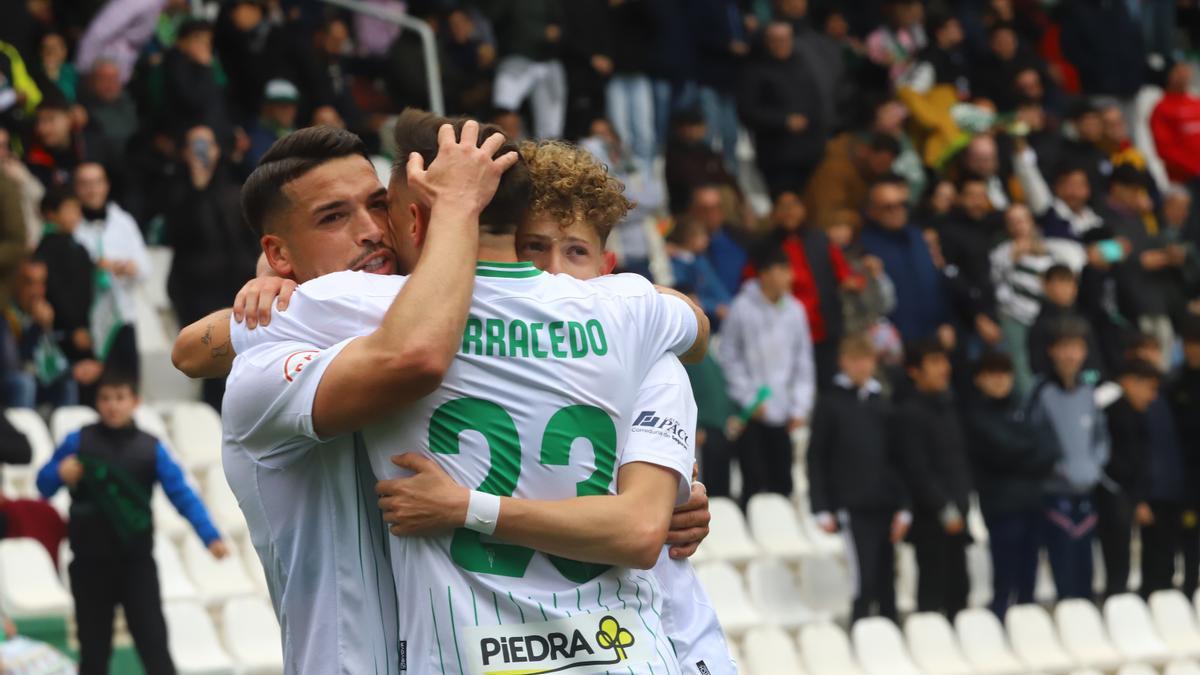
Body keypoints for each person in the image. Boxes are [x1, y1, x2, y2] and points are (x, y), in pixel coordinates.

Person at [222, 115, 707, 674]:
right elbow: (691, 321)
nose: (372, 231)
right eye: (334, 216)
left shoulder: (361, 307)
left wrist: (670, 482)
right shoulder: (633, 312)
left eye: (378, 205)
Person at [36, 369, 228, 675]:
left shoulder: (150, 448)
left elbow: (182, 494)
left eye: (120, 398)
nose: (113, 405)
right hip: (89, 566)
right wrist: (58, 473)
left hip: (136, 564)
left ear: (134, 401)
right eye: (106, 398)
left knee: (155, 650)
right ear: (97, 402)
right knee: (94, 654)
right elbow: (43, 485)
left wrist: (210, 536)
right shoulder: (78, 441)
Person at [808, 333, 908, 622]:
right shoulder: (830, 403)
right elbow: (817, 458)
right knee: (861, 579)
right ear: (843, 362)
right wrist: (821, 507)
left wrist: (904, 506)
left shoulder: (882, 403)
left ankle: (891, 639)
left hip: (885, 503)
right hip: (851, 507)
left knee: (887, 578)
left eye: (867, 359)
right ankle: (860, 634)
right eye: (855, 360)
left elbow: (898, 458)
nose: (862, 366)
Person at [164, 125, 258, 409]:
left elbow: (250, 241)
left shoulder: (236, 192)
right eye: (195, 145)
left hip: (236, 290)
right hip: (195, 293)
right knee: (212, 370)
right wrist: (197, 187)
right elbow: (177, 237)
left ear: (219, 150)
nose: (202, 152)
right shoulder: (175, 191)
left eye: (207, 145)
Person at [718, 246, 814, 504]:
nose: (789, 277)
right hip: (752, 413)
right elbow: (728, 357)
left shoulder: (795, 310)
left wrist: (799, 407)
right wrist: (748, 397)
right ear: (765, 274)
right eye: (782, 270)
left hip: (784, 413)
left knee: (783, 481)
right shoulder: (742, 307)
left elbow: (803, 362)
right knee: (754, 481)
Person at [965, 351, 1057, 618]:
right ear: (979, 379)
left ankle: (1027, 625)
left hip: (1033, 500)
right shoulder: (975, 414)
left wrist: (1022, 453)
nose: (999, 381)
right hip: (1001, 504)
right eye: (992, 375)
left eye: (1004, 374)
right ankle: (1000, 621)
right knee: (1005, 574)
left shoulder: (1025, 407)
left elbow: (1048, 449)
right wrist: (1026, 453)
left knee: (1029, 572)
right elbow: (1000, 451)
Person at [1028, 316, 1109, 600]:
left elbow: (1100, 437)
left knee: (1086, 570)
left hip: (1086, 491)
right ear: (1052, 350)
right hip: (1054, 493)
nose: (1071, 354)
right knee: (1064, 569)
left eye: (1076, 347)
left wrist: (1095, 465)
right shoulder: (1040, 391)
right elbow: (1034, 440)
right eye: (1064, 347)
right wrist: (1057, 468)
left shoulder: (1088, 393)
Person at [896, 339, 971, 618]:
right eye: (935, 363)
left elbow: (959, 461)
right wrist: (943, 507)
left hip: (958, 511)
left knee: (960, 589)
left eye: (945, 362)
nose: (944, 369)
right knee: (933, 589)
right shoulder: (908, 413)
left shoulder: (949, 406)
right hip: (930, 518)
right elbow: (916, 469)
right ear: (914, 371)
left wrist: (962, 503)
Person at [990, 204, 1086, 395]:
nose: (1019, 226)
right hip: (1015, 318)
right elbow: (996, 286)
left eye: (1022, 220)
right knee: (1023, 369)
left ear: (1031, 222)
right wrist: (1012, 260)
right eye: (1013, 222)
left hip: (1043, 316)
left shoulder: (1048, 249)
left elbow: (1076, 260)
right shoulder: (1001, 252)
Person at [72, 162, 148, 380]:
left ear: (106, 185)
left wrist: (128, 267)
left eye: (97, 182)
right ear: (76, 188)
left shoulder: (122, 221)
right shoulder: (71, 224)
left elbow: (145, 268)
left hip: (123, 315)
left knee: (126, 383)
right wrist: (93, 267)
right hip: (86, 320)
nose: (92, 189)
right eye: (85, 184)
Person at [738, 20, 826, 197]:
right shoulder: (755, 72)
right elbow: (747, 112)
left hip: (810, 153)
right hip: (777, 157)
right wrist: (783, 121)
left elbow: (816, 101)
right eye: (776, 39)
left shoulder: (802, 65)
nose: (782, 44)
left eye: (786, 39)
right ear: (767, 42)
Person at [859, 176, 952, 343]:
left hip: (933, 337)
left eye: (902, 205)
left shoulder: (917, 236)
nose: (898, 211)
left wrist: (945, 321)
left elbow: (934, 281)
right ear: (872, 211)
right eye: (888, 207)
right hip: (893, 343)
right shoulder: (864, 247)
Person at [1097, 358, 1160, 598]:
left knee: (1121, 565)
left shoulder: (1135, 413)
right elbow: (1116, 463)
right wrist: (1135, 499)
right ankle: (1117, 609)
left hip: (1126, 495)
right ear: (1130, 382)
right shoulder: (1113, 411)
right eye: (1149, 388)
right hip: (1113, 494)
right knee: (1117, 564)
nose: (1152, 396)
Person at [487, 0, 567, 139]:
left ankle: (547, 158)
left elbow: (562, 26)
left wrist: (554, 32)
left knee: (551, 130)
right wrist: (541, 32)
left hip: (548, 61)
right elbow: (494, 17)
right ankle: (504, 150)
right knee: (503, 110)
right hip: (515, 58)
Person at [1167, 320, 1200, 599]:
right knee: (1190, 542)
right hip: (1186, 479)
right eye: (1189, 344)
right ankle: (1189, 594)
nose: (1194, 350)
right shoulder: (1174, 383)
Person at [1027, 264, 1103, 382]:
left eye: (1068, 283)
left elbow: (1094, 364)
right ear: (1046, 286)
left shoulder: (1085, 321)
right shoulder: (1040, 326)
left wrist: (1086, 382)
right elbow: (1038, 366)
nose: (1063, 289)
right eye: (1059, 283)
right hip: (1052, 387)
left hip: (1087, 386)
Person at [668, 218, 732, 325]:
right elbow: (688, 296)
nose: (707, 239)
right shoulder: (677, 265)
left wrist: (728, 304)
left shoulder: (700, 260)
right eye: (702, 236)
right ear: (689, 238)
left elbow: (715, 286)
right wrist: (714, 307)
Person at [1150, 61, 1200, 183]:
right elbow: (1165, 149)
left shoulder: (1196, 102)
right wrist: (1195, 168)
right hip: (1185, 179)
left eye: (1186, 69)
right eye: (1178, 71)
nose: (1184, 74)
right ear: (1168, 75)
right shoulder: (1162, 108)